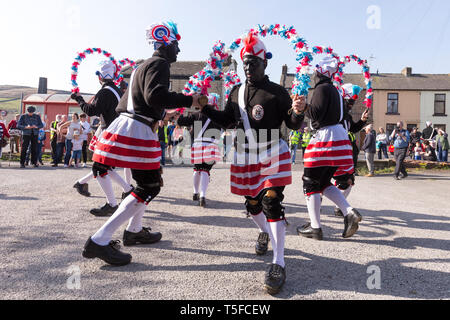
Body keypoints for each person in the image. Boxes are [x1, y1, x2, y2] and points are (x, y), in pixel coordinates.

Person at [82, 21, 202, 268]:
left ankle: (134, 230)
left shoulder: (140, 67)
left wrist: (159, 115)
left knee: (145, 184)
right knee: (149, 186)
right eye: (176, 45)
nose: (178, 51)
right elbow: (155, 96)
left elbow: (131, 103)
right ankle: (100, 239)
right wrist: (191, 99)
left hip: (132, 123)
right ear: (166, 44)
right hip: (137, 129)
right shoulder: (159, 64)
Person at [199, 33, 304, 295]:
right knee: (252, 203)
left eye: (253, 63)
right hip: (245, 154)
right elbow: (226, 121)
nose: (248, 67)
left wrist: (298, 111)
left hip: (272, 151)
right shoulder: (236, 92)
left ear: (264, 63)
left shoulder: (278, 92)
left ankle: (278, 262)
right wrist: (205, 109)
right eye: (245, 63)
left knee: (270, 200)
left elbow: (291, 124)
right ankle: (265, 232)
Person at [296, 56, 363, 243]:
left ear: (319, 73)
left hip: (326, 139)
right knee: (323, 181)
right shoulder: (334, 90)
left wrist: (304, 107)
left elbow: (316, 114)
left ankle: (315, 227)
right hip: (339, 140)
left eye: (316, 72)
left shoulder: (321, 88)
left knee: (310, 182)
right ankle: (349, 212)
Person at [71, 60, 133, 215]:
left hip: (109, 133)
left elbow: (91, 110)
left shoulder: (105, 92)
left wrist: (78, 99)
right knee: (104, 167)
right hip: (117, 132)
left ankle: (112, 203)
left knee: (99, 168)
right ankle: (127, 190)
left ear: (99, 76)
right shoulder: (117, 91)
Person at [331, 83, 369, 217]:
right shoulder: (334, 112)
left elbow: (352, 128)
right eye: (349, 101)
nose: (351, 104)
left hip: (345, 153)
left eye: (353, 102)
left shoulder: (346, 115)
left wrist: (362, 120)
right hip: (332, 152)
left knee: (348, 182)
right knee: (320, 183)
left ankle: (338, 207)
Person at [177, 100, 222, 207]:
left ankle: (195, 193)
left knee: (197, 169)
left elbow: (181, 121)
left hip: (197, 146)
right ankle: (202, 195)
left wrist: (179, 110)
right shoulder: (218, 117)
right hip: (211, 146)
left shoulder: (196, 115)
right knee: (205, 170)